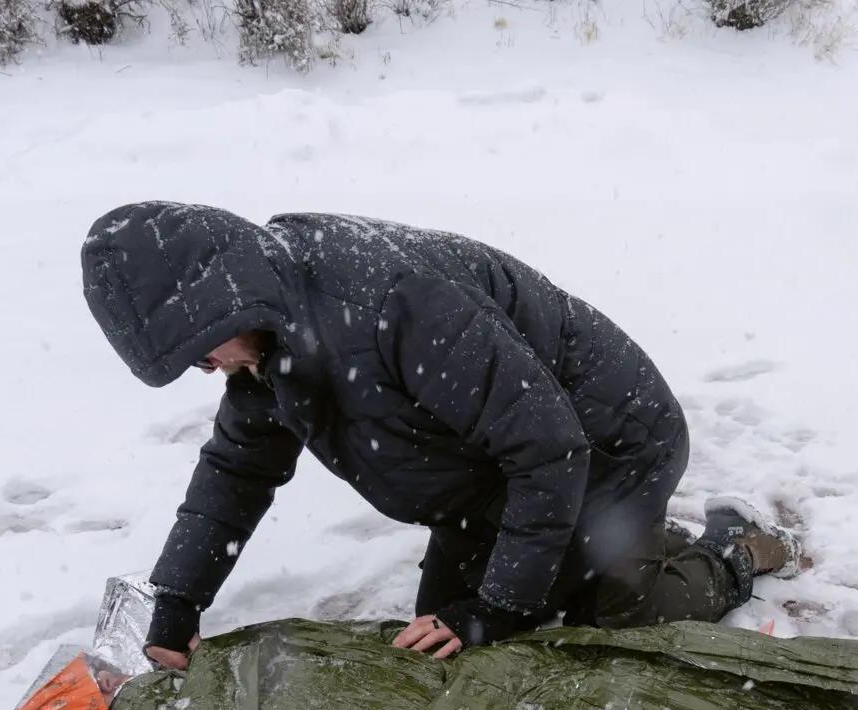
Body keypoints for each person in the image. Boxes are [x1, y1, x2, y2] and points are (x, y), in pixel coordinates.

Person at [81, 202, 807, 667]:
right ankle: (633, 544)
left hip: (610, 444)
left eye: (200, 351)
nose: (207, 371)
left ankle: (735, 549)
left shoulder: (389, 302)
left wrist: (495, 610)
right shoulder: (266, 340)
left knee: (605, 621)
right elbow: (236, 473)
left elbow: (549, 449)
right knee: (436, 638)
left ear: (222, 302)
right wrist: (179, 598)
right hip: (491, 470)